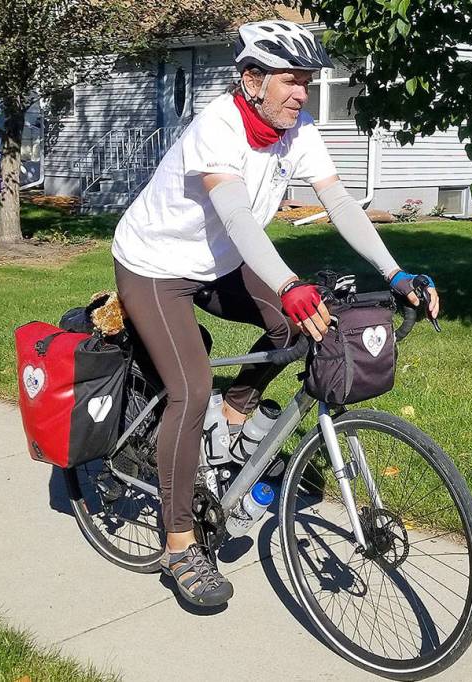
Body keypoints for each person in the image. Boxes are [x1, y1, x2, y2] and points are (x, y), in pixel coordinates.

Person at [110, 20, 440, 607]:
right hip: (155, 266)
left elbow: (338, 201)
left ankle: (233, 422)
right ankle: (180, 545)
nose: (302, 93)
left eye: (308, 82)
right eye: (292, 81)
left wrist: (395, 273)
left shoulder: (297, 130)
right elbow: (236, 214)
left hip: (218, 262)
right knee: (189, 387)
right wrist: (288, 281)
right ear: (252, 80)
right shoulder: (219, 126)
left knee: (294, 325)